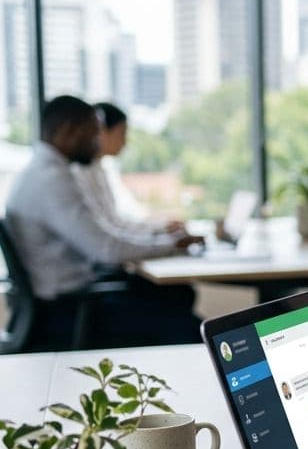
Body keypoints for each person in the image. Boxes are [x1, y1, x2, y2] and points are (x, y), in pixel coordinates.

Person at [5, 95, 204, 348]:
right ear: (69, 132)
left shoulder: (40, 173)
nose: (97, 143)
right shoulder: (51, 180)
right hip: (67, 313)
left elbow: (105, 234)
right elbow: (106, 249)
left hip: (68, 303)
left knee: (177, 295)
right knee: (189, 328)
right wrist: (173, 245)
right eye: (92, 134)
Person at [71, 102, 186, 241]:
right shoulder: (78, 172)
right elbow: (107, 231)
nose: (125, 142)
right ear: (101, 131)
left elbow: (116, 222)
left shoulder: (101, 169)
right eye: (121, 134)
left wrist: (160, 227)